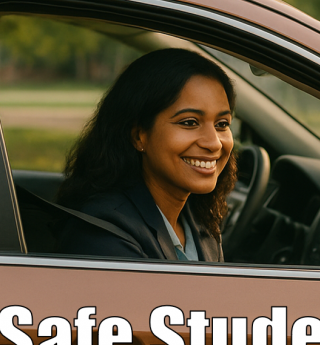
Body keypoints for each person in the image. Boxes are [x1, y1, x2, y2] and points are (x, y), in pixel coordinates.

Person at [58, 48, 237, 261]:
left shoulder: (198, 219)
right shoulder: (103, 234)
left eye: (222, 124)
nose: (214, 143)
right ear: (138, 136)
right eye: (189, 122)